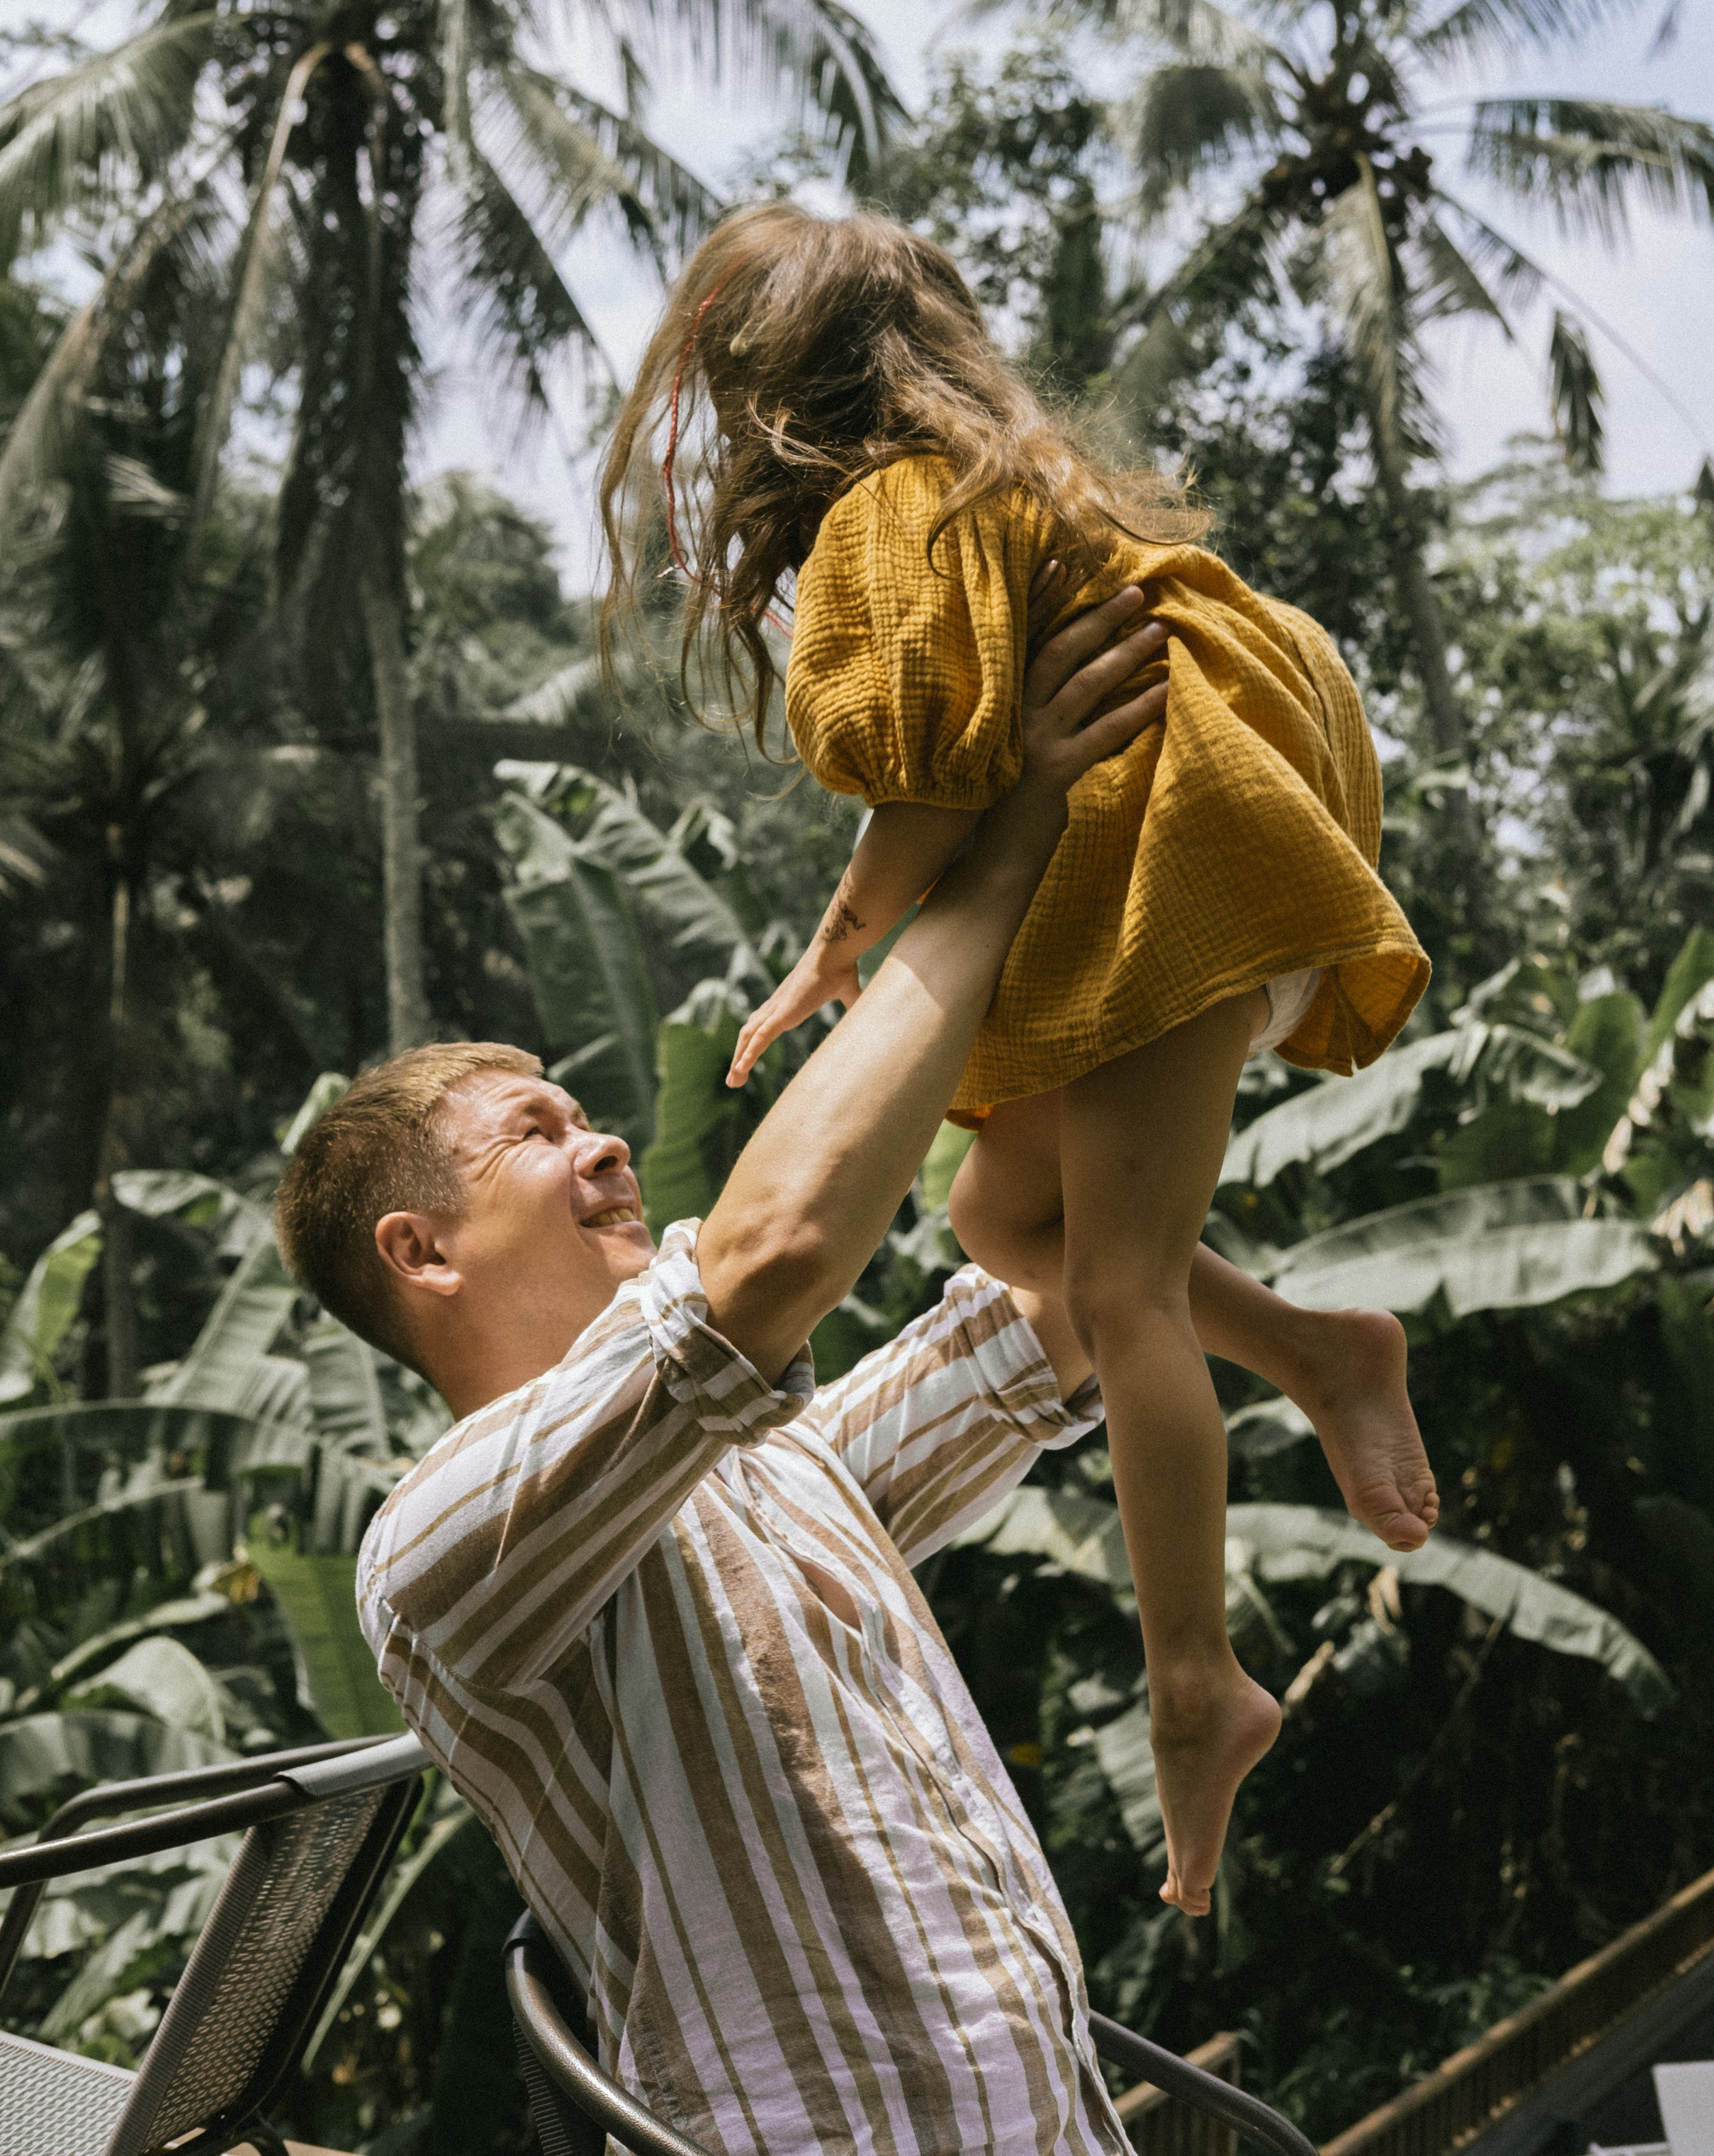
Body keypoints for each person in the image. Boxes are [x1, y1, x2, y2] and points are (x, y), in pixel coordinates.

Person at [276, 605, 1412, 2156]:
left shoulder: (780, 1474)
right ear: (420, 1254)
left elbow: (1051, 1294)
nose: (605, 1142)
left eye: (584, 1113)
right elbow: (763, 1266)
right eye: (534, 1135)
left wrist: (1152, 850)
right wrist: (1000, 851)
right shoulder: (431, 1559)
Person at [598, 200, 1439, 1918]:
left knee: (1119, 1291)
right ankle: (1317, 1348)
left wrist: (838, 942)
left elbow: (936, 778)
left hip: (1174, 875)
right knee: (1000, 1220)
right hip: (1215, 864)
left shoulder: (904, 510)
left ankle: (1194, 1681)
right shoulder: (1027, 484)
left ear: (776, 398)